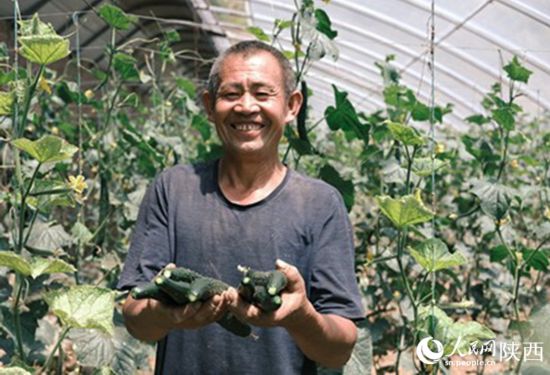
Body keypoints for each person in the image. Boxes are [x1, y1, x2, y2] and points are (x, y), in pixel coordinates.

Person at [117, 40, 365, 375]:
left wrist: (301, 316)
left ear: (292, 106)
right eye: (231, 94)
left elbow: (339, 351)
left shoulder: (320, 204)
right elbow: (136, 319)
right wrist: (164, 314)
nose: (247, 106)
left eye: (263, 94)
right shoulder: (172, 189)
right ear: (209, 105)